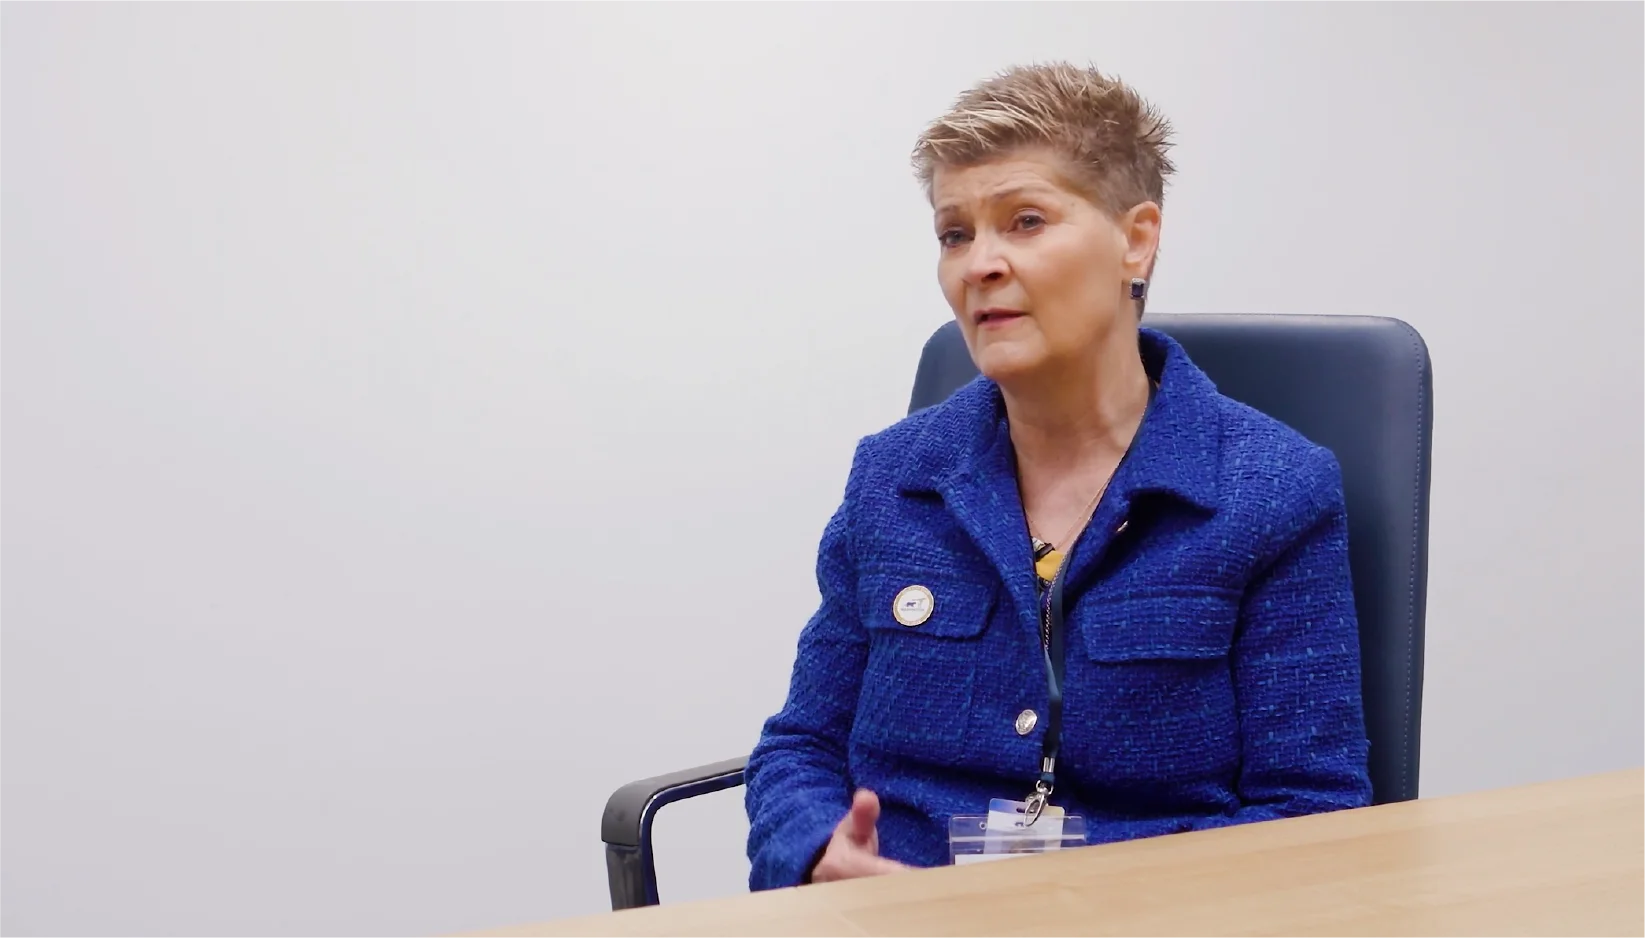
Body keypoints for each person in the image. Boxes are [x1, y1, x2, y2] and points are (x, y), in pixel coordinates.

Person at [744, 63, 1371, 889]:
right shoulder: (893, 476)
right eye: (954, 234)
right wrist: (819, 852)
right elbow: (802, 745)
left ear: (1135, 240)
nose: (979, 265)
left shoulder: (1272, 491)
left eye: (1025, 221)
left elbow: (1310, 814)